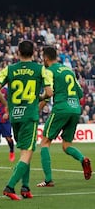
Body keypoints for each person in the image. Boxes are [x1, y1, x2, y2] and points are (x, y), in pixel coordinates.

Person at [0, 40, 53, 200]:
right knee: (27, 152)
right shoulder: (41, 69)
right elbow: (49, 92)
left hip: (15, 116)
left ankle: (25, 188)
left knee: (26, 151)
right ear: (34, 52)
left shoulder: (9, 69)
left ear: (18, 52)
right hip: (29, 116)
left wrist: (7, 104)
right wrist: (39, 97)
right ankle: (10, 186)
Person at [37, 46, 92, 187]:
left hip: (61, 108)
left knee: (45, 142)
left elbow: (48, 94)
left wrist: (38, 107)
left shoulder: (48, 71)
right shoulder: (68, 70)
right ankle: (83, 159)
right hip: (75, 109)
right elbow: (80, 93)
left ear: (46, 58)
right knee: (66, 145)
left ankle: (48, 179)